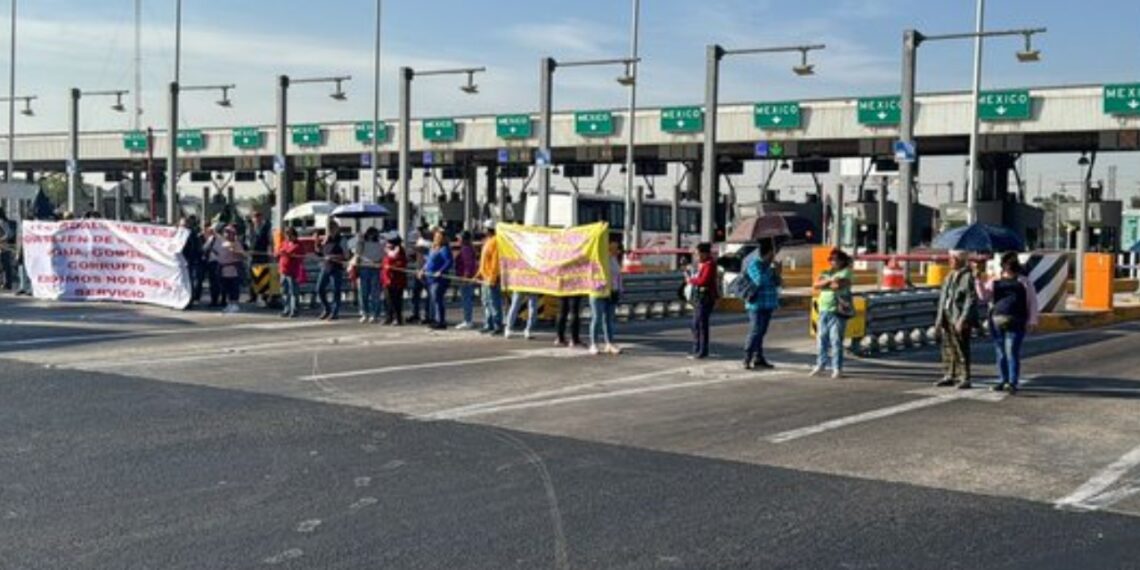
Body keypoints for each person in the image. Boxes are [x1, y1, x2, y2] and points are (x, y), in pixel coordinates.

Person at [976, 252, 1039, 394]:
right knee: (1000, 352)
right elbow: (984, 297)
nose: (1008, 268)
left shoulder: (1024, 282)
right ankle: (1003, 380)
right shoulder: (995, 281)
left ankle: (1012, 382)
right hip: (997, 321)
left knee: (1012, 352)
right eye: (1007, 265)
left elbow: (1032, 302)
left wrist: (1032, 320)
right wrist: (978, 281)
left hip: (1017, 320)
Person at [935, 249, 978, 389]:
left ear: (959, 260)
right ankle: (949, 375)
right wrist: (939, 320)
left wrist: (963, 319)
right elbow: (943, 298)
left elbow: (970, 299)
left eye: (952, 258)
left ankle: (965, 377)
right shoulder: (949, 276)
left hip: (958, 316)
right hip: (947, 314)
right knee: (948, 347)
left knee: (961, 348)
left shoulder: (967, 277)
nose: (949, 261)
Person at [811, 248, 853, 378]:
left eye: (834, 259)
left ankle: (837, 368)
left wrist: (827, 282)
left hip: (837, 310)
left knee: (835, 340)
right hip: (824, 308)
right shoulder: (826, 271)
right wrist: (830, 281)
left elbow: (838, 285)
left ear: (841, 261)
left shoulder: (846, 272)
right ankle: (821, 364)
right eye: (830, 259)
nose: (832, 262)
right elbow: (816, 285)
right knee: (822, 339)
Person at [742, 240, 782, 370]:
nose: (773, 256)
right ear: (767, 253)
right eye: (772, 253)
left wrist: (778, 272)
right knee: (755, 331)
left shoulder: (769, 266)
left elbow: (777, 283)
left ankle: (758, 357)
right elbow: (759, 280)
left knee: (762, 332)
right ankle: (747, 357)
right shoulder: (755, 264)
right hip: (756, 304)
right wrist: (769, 269)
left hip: (768, 303)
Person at [589, 241, 624, 355]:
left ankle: (609, 343)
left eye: (617, 248)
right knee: (597, 318)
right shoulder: (599, 259)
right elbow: (592, 274)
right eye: (614, 248)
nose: (616, 250)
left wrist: (620, 290)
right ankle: (593, 344)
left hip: (612, 292)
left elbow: (618, 276)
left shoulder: (615, 260)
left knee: (608, 320)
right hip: (599, 292)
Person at [686, 242, 718, 359]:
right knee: (696, 324)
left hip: (706, 297)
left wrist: (691, 280)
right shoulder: (702, 264)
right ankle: (697, 349)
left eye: (698, 254)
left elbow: (703, 280)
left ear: (704, 253)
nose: (697, 256)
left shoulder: (709, 264)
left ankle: (702, 351)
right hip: (699, 297)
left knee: (700, 324)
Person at [421, 230, 454, 330]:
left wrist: (441, 271)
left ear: (443, 238)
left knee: (437, 299)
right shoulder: (433, 248)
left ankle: (441, 321)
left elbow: (449, 262)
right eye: (436, 236)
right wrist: (422, 270)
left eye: (439, 237)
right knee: (433, 299)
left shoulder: (444, 249)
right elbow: (428, 262)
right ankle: (435, 319)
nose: (437, 238)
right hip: (430, 278)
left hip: (439, 279)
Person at [474, 222, 503, 335]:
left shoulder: (495, 242)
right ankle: (489, 324)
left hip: (491, 278)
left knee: (494, 302)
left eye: (485, 228)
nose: (483, 230)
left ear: (489, 229)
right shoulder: (487, 241)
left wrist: (493, 277)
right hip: (484, 278)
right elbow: (483, 262)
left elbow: (495, 262)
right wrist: (478, 274)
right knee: (486, 302)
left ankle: (497, 325)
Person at [352, 227, 384, 323]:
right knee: (363, 293)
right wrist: (359, 241)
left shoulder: (380, 244)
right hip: (364, 268)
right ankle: (364, 313)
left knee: (375, 294)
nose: (371, 235)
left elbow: (382, 257)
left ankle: (375, 314)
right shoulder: (361, 244)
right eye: (369, 233)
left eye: (373, 233)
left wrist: (378, 262)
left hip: (376, 269)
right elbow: (357, 254)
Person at [316, 223, 347, 321]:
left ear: (337, 229)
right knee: (319, 288)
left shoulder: (342, 240)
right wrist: (316, 243)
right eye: (329, 229)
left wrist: (333, 257)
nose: (330, 231)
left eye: (332, 228)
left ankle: (335, 312)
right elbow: (320, 253)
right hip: (326, 267)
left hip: (336, 268)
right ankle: (327, 308)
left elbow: (346, 256)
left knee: (336, 291)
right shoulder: (326, 239)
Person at [276, 227, 306, 318]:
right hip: (283, 271)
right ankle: (286, 309)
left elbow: (297, 254)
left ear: (294, 235)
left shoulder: (298, 245)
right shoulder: (284, 243)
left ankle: (294, 310)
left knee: (293, 292)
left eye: (289, 235)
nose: (288, 237)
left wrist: (286, 253)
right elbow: (279, 252)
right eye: (286, 235)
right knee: (284, 291)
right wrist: (281, 252)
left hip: (292, 272)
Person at [217, 225, 245, 314]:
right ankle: (230, 304)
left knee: (234, 288)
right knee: (226, 288)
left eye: (229, 232)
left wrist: (234, 251)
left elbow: (242, 256)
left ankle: (235, 304)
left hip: (232, 270)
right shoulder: (223, 242)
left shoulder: (236, 243)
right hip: (223, 269)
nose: (226, 234)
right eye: (226, 232)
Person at [246, 210, 273, 304]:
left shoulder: (266, 228)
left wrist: (270, 251)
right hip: (252, 254)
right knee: (251, 276)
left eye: (258, 217)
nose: (256, 219)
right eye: (255, 217)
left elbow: (270, 241)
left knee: (263, 274)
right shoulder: (250, 228)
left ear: (261, 218)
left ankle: (264, 297)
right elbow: (247, 241)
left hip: (262, 253)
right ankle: (252, 296)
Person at [454, 231, 478, 330]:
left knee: (466, 300)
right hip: (465, 277)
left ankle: (468, 321)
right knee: (466, 299)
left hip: (465, 279)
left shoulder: (466, 249)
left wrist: (466, 277)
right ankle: (467, 320)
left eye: (459, 238)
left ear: (463, 239)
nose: (457, 240)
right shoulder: (467, 248)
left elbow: (468, 265)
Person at [382, 236, 408, 325]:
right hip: (387, 279)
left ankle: (398, 318)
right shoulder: (388, 252)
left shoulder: (400, 252)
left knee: (396, 300)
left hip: (396, 280)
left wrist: (392, 267)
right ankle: (389, 317)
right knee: (387, 300)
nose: (387, 245)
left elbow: (401, 264)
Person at [179, 217, 204, 307]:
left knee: (189, 282)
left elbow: (194, 248)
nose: (181, 227)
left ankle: (189, 300)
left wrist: (190, 259)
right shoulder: (180, 234)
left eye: (183, 225)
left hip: (189, 261)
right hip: (183, 262)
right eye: (181, 225)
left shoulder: (191, 234)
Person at [407, 224, 430, 324]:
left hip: (426, 272)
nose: (420, 232)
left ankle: (427, 315)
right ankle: (415, 314)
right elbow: (415, 254)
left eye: (421, 230)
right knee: (415, 294)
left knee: (428, 296)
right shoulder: (419, 241)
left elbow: (428, 257)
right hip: (418, 270)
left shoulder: (428, 242)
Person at [203, 224, 225, 308]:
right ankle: (216, 299)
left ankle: (218, 300)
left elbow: (222, 251)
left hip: (217, 262)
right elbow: (204, 248)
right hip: (212, 262)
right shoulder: (211, 238)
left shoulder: (220, 239)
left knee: (217, 283)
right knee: (215, 283)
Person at [0, 207, 15, 290]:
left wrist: (1, 239)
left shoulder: (2, 222)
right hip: (3, 246)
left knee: (5, 265)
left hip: (4, 246)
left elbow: (9, 234)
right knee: (4, 265)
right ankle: (5, 282)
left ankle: (7, 283)